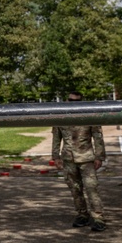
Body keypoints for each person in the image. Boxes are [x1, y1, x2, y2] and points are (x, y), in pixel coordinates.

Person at [51, 91, 107, 231]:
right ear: (67, 100)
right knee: (75, 189)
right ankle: (82, 214)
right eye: (71, 100)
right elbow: (56, 138)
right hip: (68, 158)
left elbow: (98, 137)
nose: (73, 103)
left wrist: (99, 156)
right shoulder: (60, 116)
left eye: (77, 100)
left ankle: (98, 217)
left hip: (86, 158)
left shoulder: (89, 115)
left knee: (91, 188)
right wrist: (55, 157)